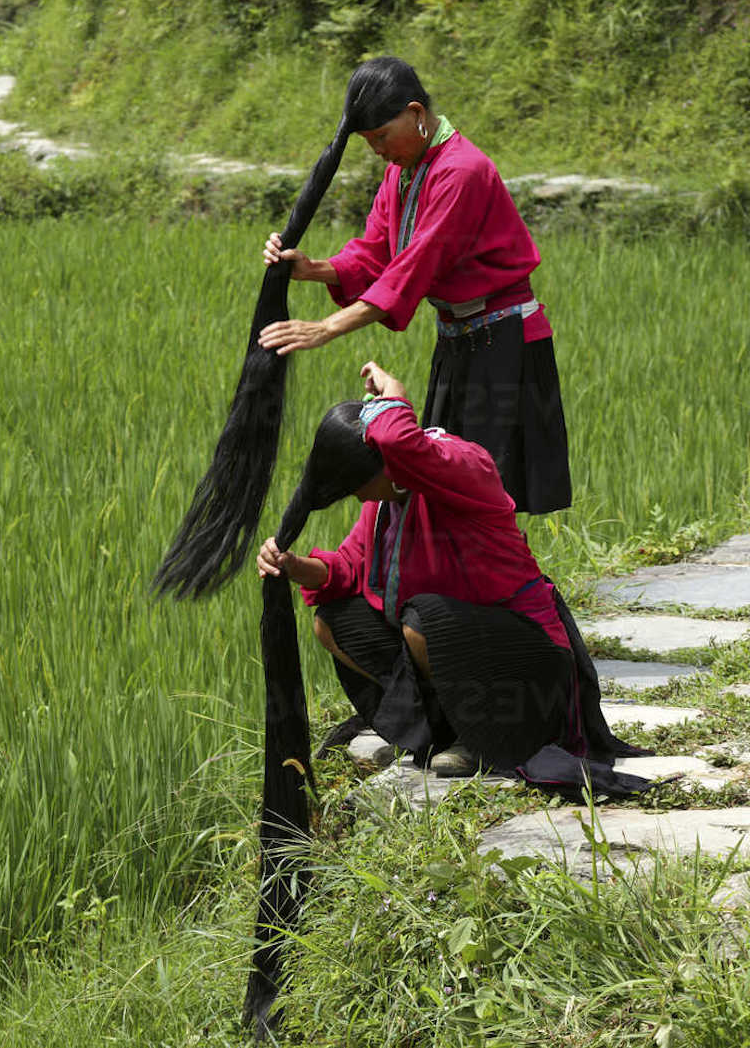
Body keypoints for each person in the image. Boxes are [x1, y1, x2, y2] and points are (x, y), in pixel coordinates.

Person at [257, 360, 632, 780]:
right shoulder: (384, 504)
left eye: (357, 483)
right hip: (465, 654)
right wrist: (291, 566)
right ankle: (439, 732)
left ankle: (486, 738)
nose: (356, 494)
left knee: (423, 622)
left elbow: (402, 442)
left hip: (529, 659)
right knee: (333, 622)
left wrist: (394, 397)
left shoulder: (462, 467)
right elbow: (346, 568)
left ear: (384, 464)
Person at [259, 55, 570, 515]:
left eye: (382, 136)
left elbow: (413, 268)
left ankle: (503, 586)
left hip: (503, 342)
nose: (378, 151)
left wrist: (325, 328)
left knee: (485, 490)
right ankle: (469, 584)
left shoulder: (461, 170)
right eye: (369, 142)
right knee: (447, 483)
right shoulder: (403, 173)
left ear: (417, 115)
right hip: (459, 340)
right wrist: (315, 268)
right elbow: (376, 250)